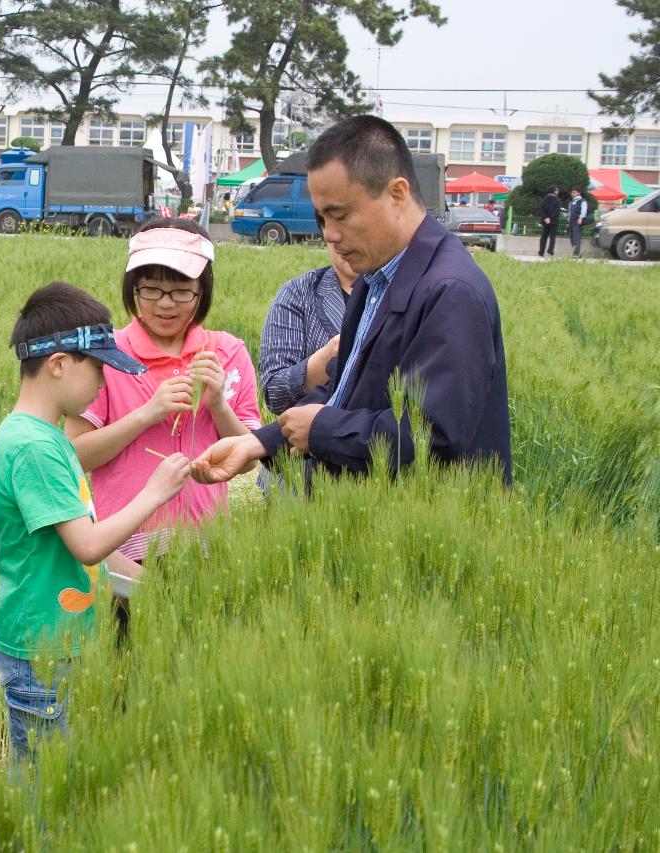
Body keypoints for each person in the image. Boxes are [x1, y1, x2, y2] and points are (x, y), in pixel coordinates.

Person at [192, 114, 511, 488]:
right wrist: (258, 443)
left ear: (397, 194)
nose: (330, 235)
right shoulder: (374, 280)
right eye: (322, 218)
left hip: (416, 531)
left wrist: (323, 430)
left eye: (339, 215)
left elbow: (432, 438)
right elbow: (345, 390)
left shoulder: (449, 291)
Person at [0, 282, 191, 758]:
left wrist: (146, 583)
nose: (104, 382)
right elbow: (87, 545)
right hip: (42, 652)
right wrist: (153, 493)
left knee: (60, 781)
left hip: (62, 642)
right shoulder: (35, 448)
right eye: (97, 367)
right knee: (44, 789)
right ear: (58, 364)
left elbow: (78, 542)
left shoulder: (48, 438)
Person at [64, 218, 261, 571]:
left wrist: (217, 404)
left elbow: (248, 459)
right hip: (120, 552)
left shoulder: (228, 353)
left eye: (181, 290)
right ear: (133, 288)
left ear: (202, 290)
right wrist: (148, 413)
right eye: (151, 289)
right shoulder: (107, 354)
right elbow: (74, 455)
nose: (165, 304)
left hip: (207, 551)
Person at [259, 242, 359, 415]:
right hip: (314, 439)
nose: (342, 236)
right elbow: (275, 394)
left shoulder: (405, 289)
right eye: (331, 224)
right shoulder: (298, 293)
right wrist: (328, 355)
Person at [538, 185, 561, 257]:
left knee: (544, 236)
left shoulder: (544, 199)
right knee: (552, 237)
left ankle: (541, 252)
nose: (558, 191)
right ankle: (550, 251)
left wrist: (545, 218)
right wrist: (550, 218)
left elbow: (541, 209)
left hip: (545, 221)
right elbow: (556, 211)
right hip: (553, 222)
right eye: (557, 190)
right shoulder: (557, 200)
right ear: (554, 191)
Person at [567, 188, 589, 258]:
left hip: (577, 222)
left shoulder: (582, 201)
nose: (572, 194)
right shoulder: (571, 202)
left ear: (578, 193)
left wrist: (581, 218)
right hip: (571, 222)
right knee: (572, 238)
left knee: (577, 238)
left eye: (574, 193)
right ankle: (576, 252)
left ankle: (576, 254)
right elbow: (569, 213)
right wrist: (568, 221)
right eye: (572, 193)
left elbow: (584, 210)